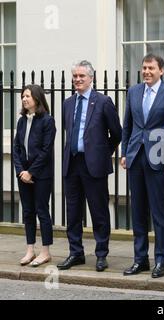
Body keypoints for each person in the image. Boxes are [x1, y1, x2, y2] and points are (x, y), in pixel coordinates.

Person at [121, 54, 164, 278]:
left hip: (160, 160)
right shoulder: (133, 92)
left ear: (161, 70)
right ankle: (140, 259)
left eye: (151, 68)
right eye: (144, 67)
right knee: (138, 212)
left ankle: (160, 259)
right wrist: (124, 153)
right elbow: (127, 125)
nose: (146, 71)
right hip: (136, 157)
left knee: (159, 213)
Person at [57, 60, 122, 272]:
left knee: (99, 212)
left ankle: (101, 254)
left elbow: (117, 133)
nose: (77, 79)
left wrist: (103, 154)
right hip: (72, 164)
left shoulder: (103, 102)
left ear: (91, 78)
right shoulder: (67, 103)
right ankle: (76, 253)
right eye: (75, 76)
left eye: (81, 76)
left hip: (94, 166)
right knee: (73, 212)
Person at [13, 84, 56, 267]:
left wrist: (31, 172)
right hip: (23, 174)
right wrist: (21, 171)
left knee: (42, 210)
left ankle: (45, 251)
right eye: (23, 96)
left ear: (37, 99)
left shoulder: (47, 121)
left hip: (41, 174)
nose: (24, 99)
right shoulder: (22, 121)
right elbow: (16, 148)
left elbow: (46, 151)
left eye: (28, 96)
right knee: (28, 212)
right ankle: (30, 249)